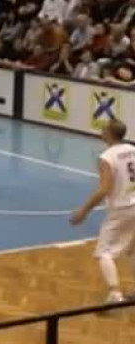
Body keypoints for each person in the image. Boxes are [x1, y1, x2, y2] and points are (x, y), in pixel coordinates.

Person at [70, 119, 135, 304]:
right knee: (132, 250)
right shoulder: (132, 149)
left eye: (103, 129)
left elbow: (103, 189)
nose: (101, 131)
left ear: (109, 134)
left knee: (104, 252)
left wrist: (84, 210)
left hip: (121, 209)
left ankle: (115, 294)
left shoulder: (107, 157)